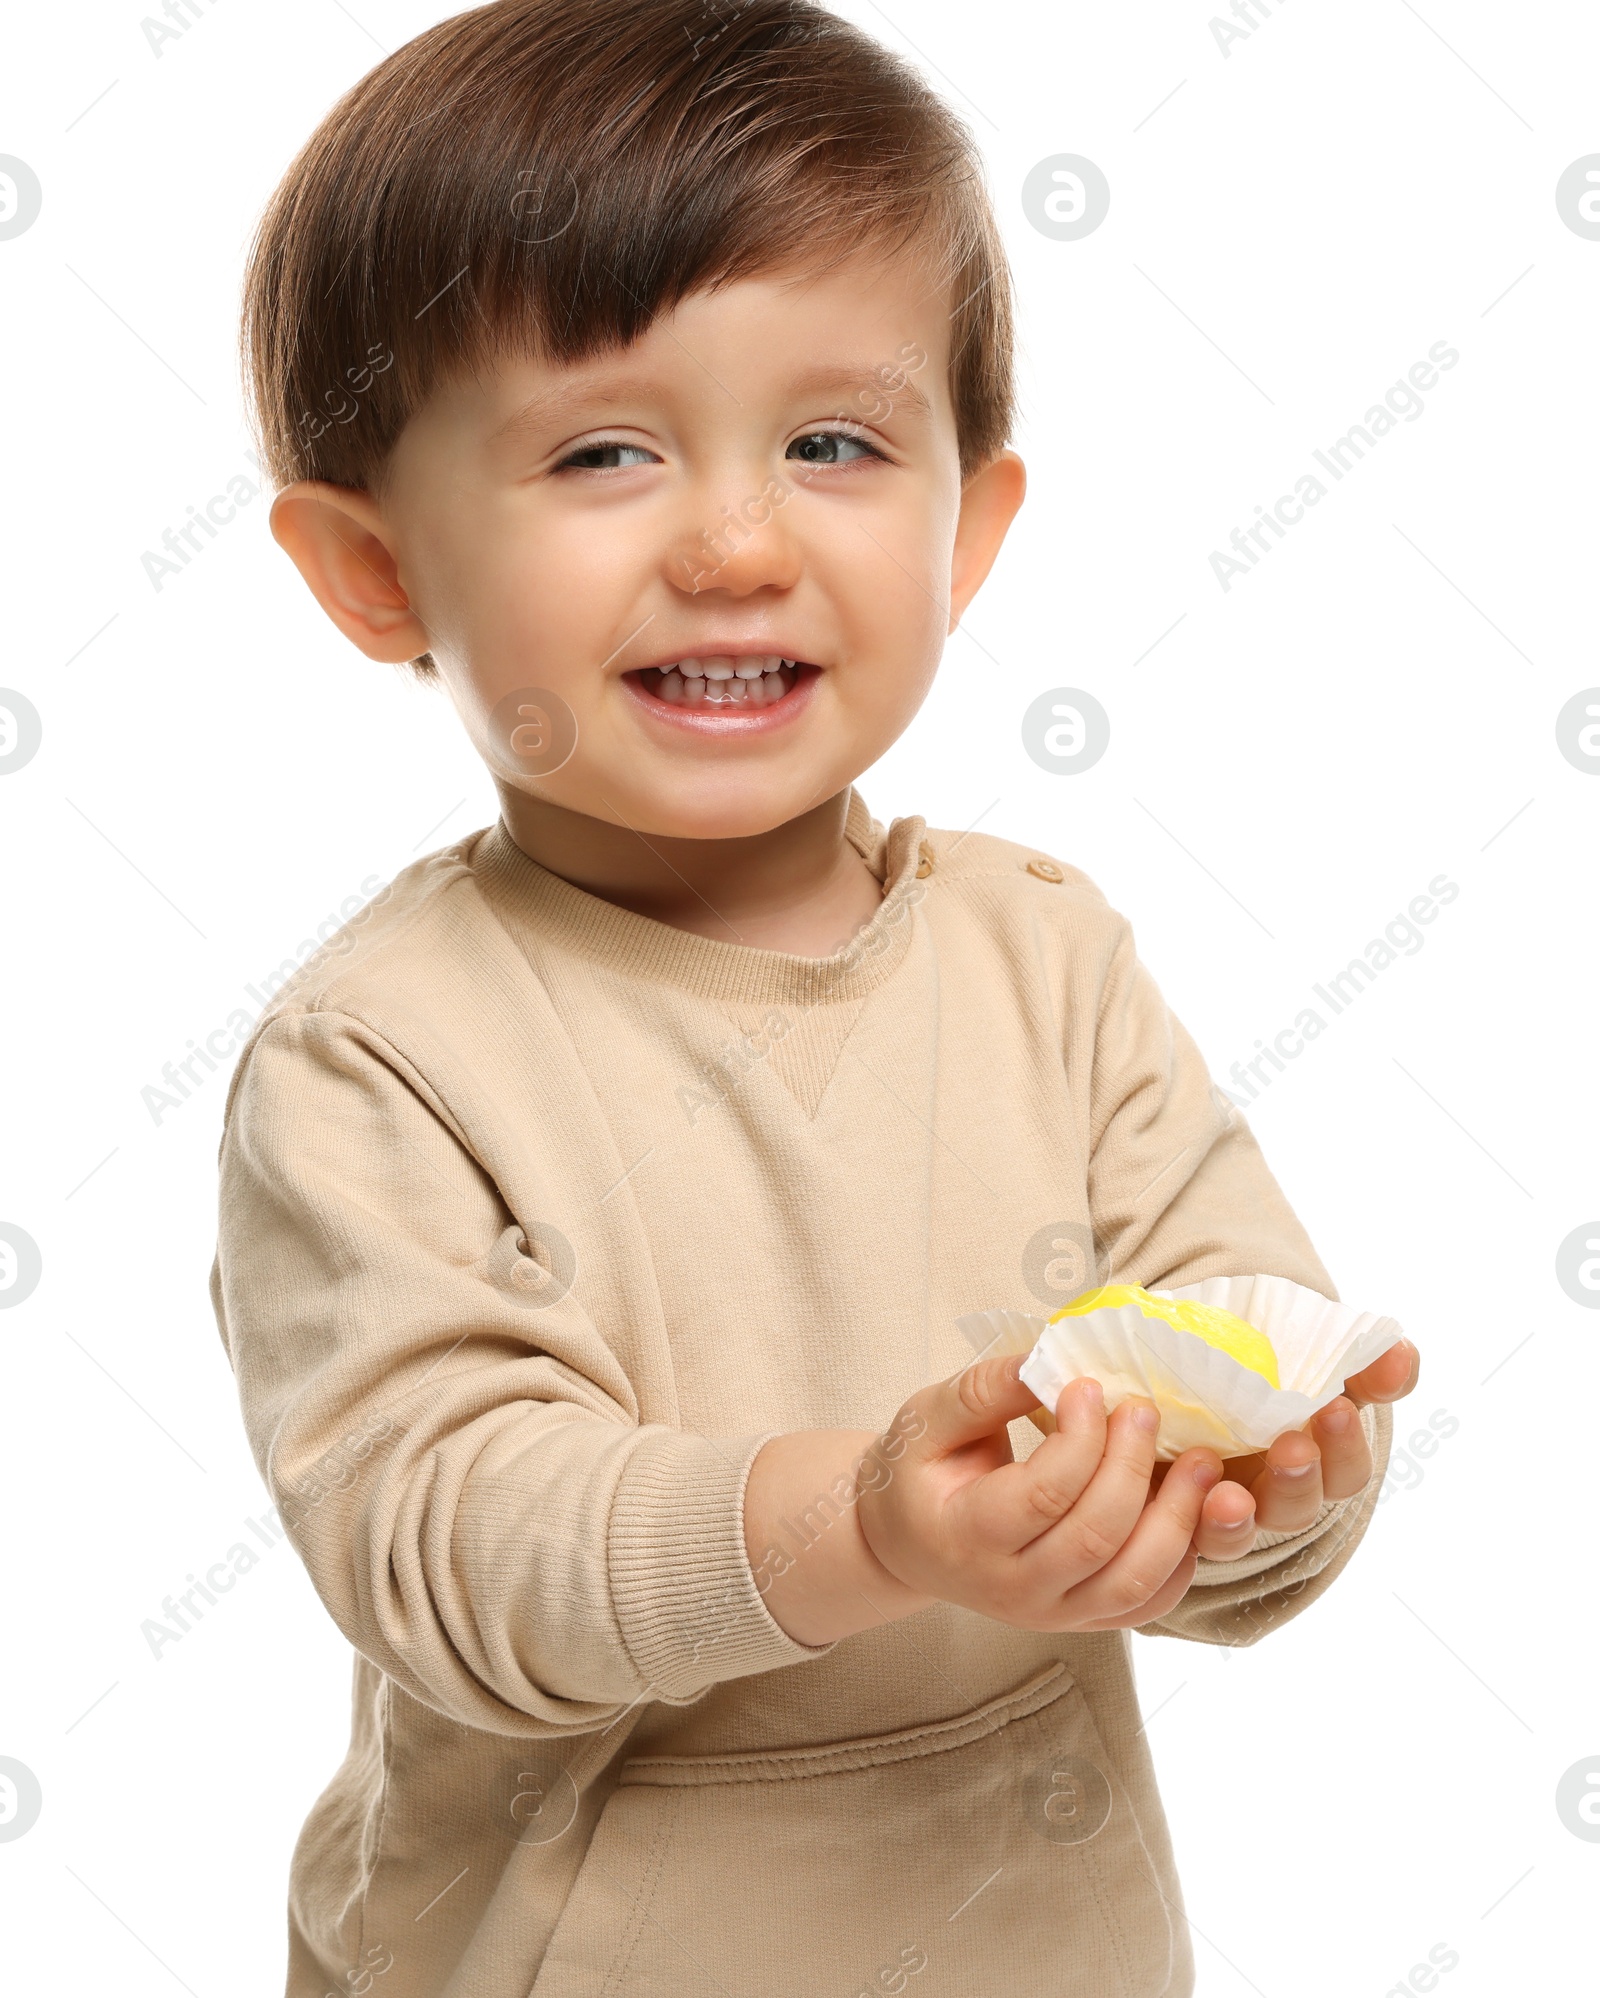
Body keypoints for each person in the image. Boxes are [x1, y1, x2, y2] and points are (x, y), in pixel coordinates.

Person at [215, 2, 1419, 1989]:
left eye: (833, 444)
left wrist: (1261, 1486)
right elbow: (447, 1544)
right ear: (375, 572)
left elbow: (1237, 1337)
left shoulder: (1047, 956)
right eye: (602, 449)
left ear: (967, 532)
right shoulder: (377, 1062)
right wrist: (863, 1528)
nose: (736, 543)